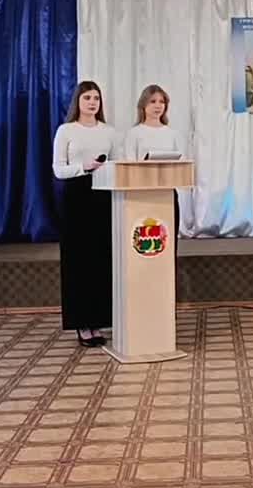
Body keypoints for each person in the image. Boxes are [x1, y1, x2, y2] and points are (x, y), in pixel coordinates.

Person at [52, 81, 118, 347]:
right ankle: (81, 323)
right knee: (78, 261)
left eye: (96, 98)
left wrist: (104, 167)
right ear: (78, 101)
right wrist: (84, 167)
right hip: (76, 197)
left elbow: (118, 164)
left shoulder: (109, 131)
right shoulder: (66, 130)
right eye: (87, 98)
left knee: (101, 259)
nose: (92, 103)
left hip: (103, 196)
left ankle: (98, 320)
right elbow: (58, 169)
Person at [123, 84, 185, 247]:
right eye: (153, 101)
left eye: (161, 102)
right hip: (142, 195)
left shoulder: (172, 134)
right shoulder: (134, 133)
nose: (158, 106)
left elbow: (181, 163)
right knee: (145, 242)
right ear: (143, 105)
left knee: (167, 241)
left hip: (167, 193)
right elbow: (130, 165)